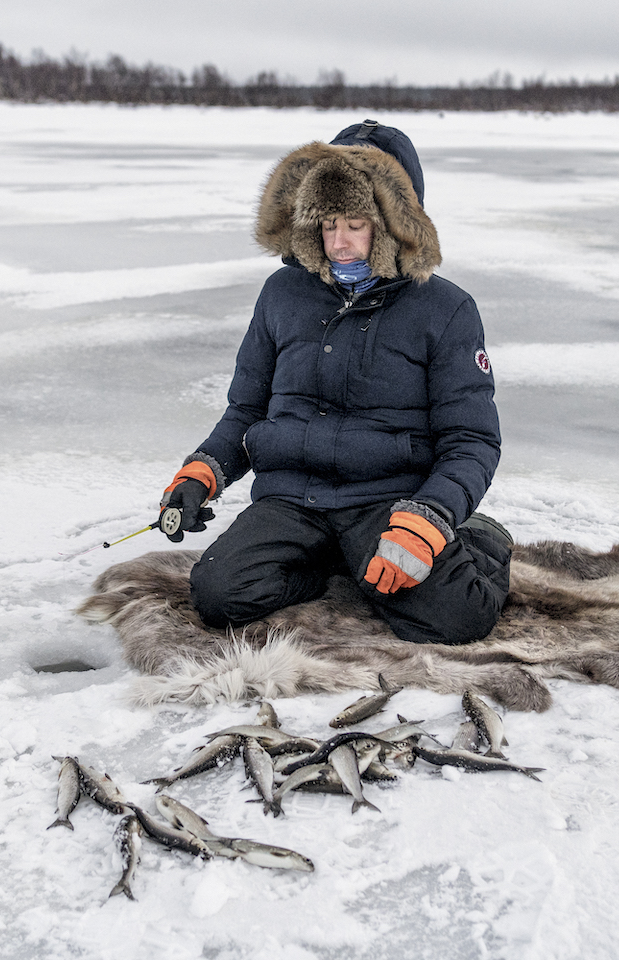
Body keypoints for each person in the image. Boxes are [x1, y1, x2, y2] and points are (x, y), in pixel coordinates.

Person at [158, 119, 511, 645]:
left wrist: (430, 517)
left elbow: (472, 440)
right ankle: (342, 566)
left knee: (456, 618)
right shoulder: (282, 294)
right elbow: (247, 410)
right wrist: (203, 472)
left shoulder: (447, 309)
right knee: (220, 595)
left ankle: (478, 540)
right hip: (293, 497)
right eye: (326, 225)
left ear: (393, 222)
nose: (339, 243)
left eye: (355, 223)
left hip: (387, 498)